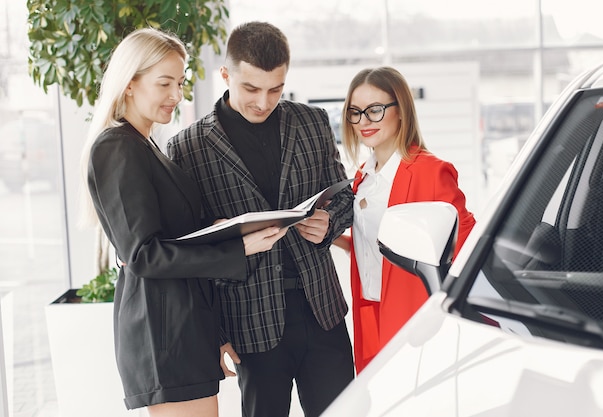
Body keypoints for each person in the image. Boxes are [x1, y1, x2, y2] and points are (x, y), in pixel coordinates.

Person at [78, 27, 286, 417]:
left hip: (184, 327)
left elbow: (176, 238)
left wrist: (222, 228)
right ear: (129, 84)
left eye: (180, 82)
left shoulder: (144, 144)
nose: (177, 95)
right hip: (165, 335)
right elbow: (144, 255)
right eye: (165, 83)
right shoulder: (117, 147)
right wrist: (235, 247)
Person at [167, 21, 355, 417]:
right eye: (251, 88)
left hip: (322, 311)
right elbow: (191, 252)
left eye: (276, 89)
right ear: (225, 75)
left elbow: (344, 193)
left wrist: (329, 224)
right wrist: (214, 335)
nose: (263, 101)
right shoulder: (187, 148)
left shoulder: (312, 122)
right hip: (249, 323)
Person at [334, 66, 476, 374]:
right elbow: (379, 240)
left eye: (375, 110)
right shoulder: (363, 177)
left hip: (412, 315)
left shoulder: (430, 171)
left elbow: (465, 247)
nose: (363, 122)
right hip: (369, 309)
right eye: (355, 112)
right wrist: (332, 236)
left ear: (401, 109)